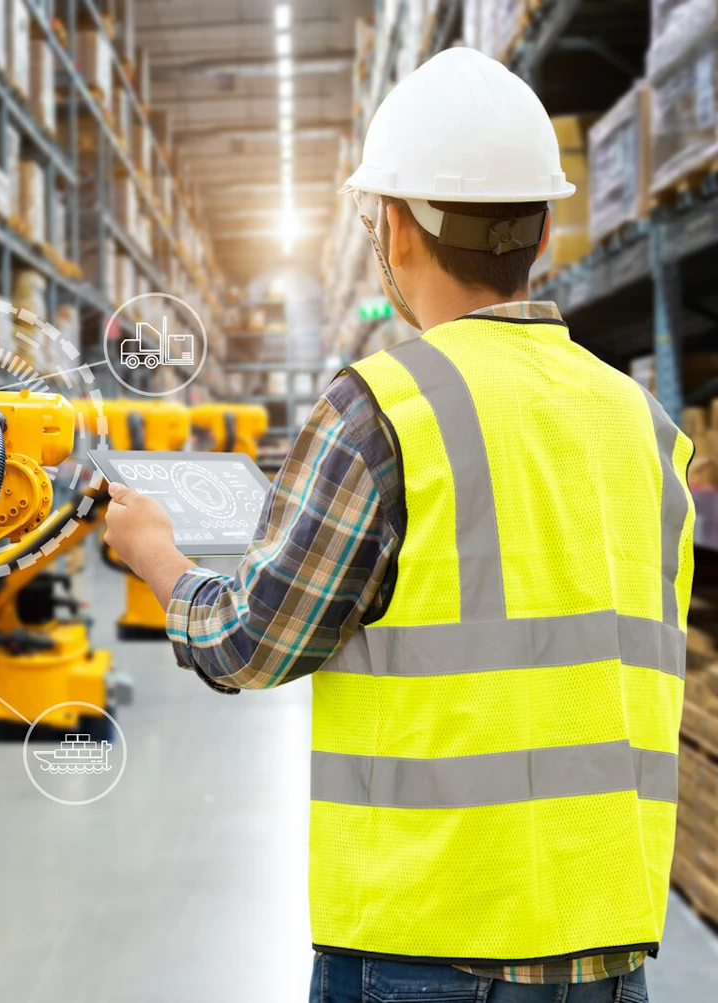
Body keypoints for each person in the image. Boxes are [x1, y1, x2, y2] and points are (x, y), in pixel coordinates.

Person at [104, 47, 688, 1003]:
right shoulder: (647, 427)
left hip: (429, 945)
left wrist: (157, 555)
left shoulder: (384, 408)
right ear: (543, 229)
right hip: (607, 948)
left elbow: (250, 641)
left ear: (393, 230)